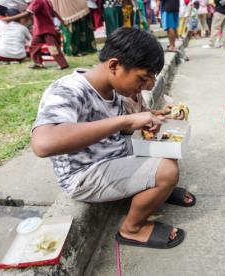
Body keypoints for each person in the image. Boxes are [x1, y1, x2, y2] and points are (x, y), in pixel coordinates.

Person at [31, 27, 196, 249]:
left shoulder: (114, 90)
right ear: (114, 66)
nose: (144, 86)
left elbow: (119, 128)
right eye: (142, 78)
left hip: (113, 153)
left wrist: (146, 118)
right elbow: (43, 143)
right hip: (84, 173)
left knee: (167, 148)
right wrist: (126, 121)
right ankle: (132, 229)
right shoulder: (68, 90)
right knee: (167, 171)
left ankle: (154, 190)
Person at [2, 0, 69, 70]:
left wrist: (10, 18)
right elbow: (53, 12)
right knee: (34, 46)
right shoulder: (46, 1)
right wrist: (62, 21)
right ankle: (38, 63)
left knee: (53, 47)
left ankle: (63, 64)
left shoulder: (37, 1)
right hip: (41, 28)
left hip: (46, 28)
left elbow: (28, 12)